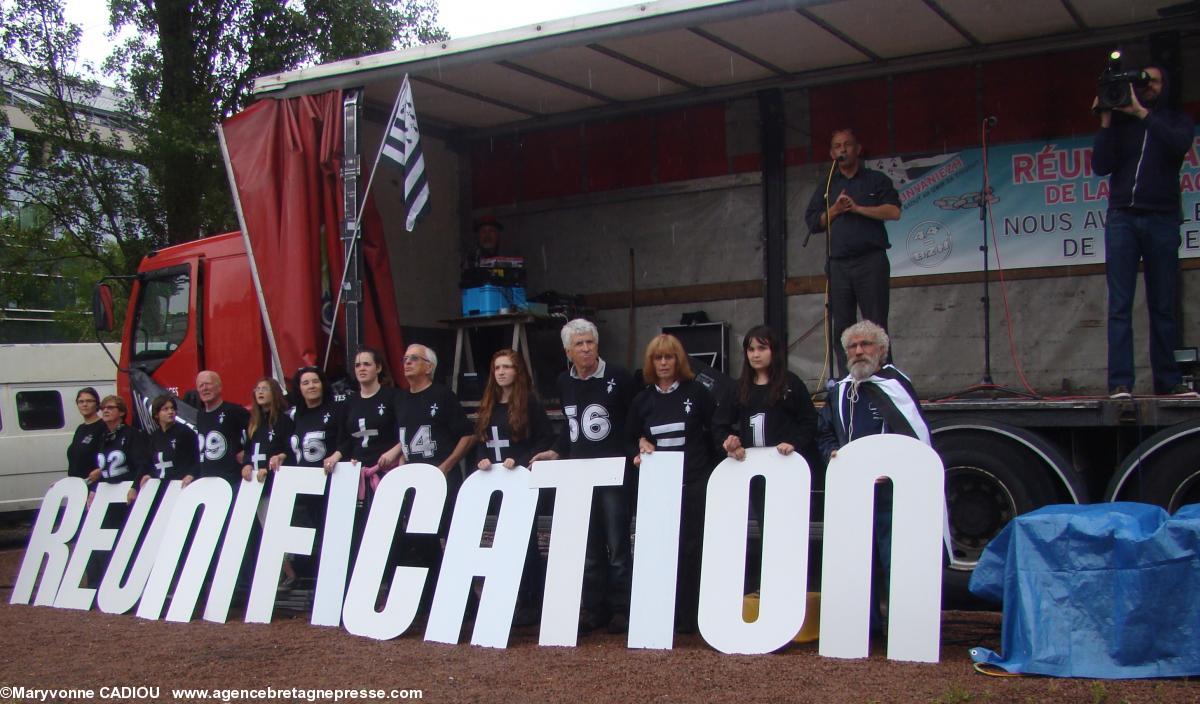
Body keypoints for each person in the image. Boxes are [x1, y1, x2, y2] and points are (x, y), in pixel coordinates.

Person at [816, 320, 930, 632]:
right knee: (857, 562)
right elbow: (824, 434)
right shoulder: (838, 392)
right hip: (852, 494)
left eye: (865, 344)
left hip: (892, 494)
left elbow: (913, 436)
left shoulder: (896, 386)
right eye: (852, 346)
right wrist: (831, 455)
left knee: (895, 559)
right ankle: (864, 628)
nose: (858, 351)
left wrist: (891, 469)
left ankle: (904, 629)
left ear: (881, 350)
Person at [1092, 64, 1197, 398]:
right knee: (1119, 304)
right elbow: (1100, 166)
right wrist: (1107, 120)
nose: (1144, 86)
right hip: (1123, 217)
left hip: (1162, 219)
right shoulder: (1122, 125)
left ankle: (1167, 381)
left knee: (1163, 304)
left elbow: (1178, 144)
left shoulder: (1176, 120)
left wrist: (1142, 113)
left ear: (1164, 86)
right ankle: (1120, 383)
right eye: (1140, 82)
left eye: (1150, 81)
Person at [531, 318, 637, 634]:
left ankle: (623, 608)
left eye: (590, 342)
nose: (586, 348)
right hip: (579, 475)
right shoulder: (565, 381)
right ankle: (593, 607)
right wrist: (556, 451)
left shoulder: (619, 377)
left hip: (613, 474)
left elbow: (634, 420)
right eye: (579, 344)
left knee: (618, 545)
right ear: (568, 351)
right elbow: (570, 426)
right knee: (588, 545)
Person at [627, 334, 717, 634]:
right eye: (657, 358)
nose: (663, 363)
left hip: (693, 482)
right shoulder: (642, 399)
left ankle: (690, 617)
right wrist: (639, 443)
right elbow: (630, 437)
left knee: (691, 549)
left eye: (669, 357)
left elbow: (714, 432)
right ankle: (659, 613)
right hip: (658, 488)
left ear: (679, 360)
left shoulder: (698, 392)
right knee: (660, 549)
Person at [719, 325, 818, 593]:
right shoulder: (738, 388)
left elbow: (810, 422)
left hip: (784, 470)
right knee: (763, 526)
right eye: (751, 349)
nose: (756, 354)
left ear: (774, 350)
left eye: (762, 348)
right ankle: (766, 584)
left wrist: (794, 443)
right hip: (753, 473)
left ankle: (794, 585)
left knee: (788, 528)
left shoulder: (790, 384)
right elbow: (720, 425)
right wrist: (730, 442)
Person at [379, 343, 474, 615]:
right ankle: (428, 601)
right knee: (422, 540)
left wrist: (445, 466)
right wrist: (400, 454)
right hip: (414, 482)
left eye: (414, 359)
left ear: (429, 366)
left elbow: (467, 435)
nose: (407, 363)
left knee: (449, 538)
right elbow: (406, 435)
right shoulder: (401, 399)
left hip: (442, 479)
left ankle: (465, 604)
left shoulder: (443, 396)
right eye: (405, 358)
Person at [804, 128, 901, 378]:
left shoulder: (875, 180)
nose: (842, 150)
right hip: (839, 265)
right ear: (831, 152)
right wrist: (836, 209)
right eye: (837, 146)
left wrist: (858, 208)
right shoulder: (828, 185)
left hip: (871, 260)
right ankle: (847, 379)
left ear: (858, 149)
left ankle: (883, 375)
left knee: (876, 323)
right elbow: (813, 223)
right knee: (842, 327)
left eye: (847, 145)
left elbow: (893, 212)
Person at [473, 349, 556, 627]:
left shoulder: (528, 403)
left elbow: (546, 436)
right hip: (494, 483)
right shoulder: (488, 404)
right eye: (497, 368)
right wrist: (481, 458)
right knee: (499, 542)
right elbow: (482, 440)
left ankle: (532, 602)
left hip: (520, 480)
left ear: (517, 372)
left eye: (507, 367)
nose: (501, 372)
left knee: (526, 542)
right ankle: (507, 598)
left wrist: (520, 460)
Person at [85, 394, 148, 584]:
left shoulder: (131, 435)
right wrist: (94, 489)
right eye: (103, 407)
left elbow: (141, 464)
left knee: (125, 540)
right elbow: (103, 469)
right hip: (107, 496)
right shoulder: (104, 437)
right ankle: (102, 582)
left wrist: (135, 487)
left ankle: (126, 581)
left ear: (121, 412)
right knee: (103, 539)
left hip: (125, 497)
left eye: (110, 407)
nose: (105, 410)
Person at [134, 394, 199, 502]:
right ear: (156, 414)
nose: (170, 412)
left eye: (172, 408)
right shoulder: (154, 437)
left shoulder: (185, 432)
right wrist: (148, 476)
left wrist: (192, 474)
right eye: (165, 409)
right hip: (161, 489)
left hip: (181, 486)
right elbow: (149, 463)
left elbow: (197, 457)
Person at [195, 370, 250, 485]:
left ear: (219, 387)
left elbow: (258, 429)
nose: (204, 388)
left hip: (229, 480)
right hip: (206, 480)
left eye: (208, 384)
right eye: (201, 385)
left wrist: (247, 452)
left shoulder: (233, 411)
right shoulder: (200, 415)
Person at [66, 387, 103, 481]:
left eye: (89, 401)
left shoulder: (104, 426)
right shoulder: (80, 428)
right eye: (81, 401)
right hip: (77, 485)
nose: (84, 404)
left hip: (94, 485)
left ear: (97, 404)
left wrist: (100, 471)